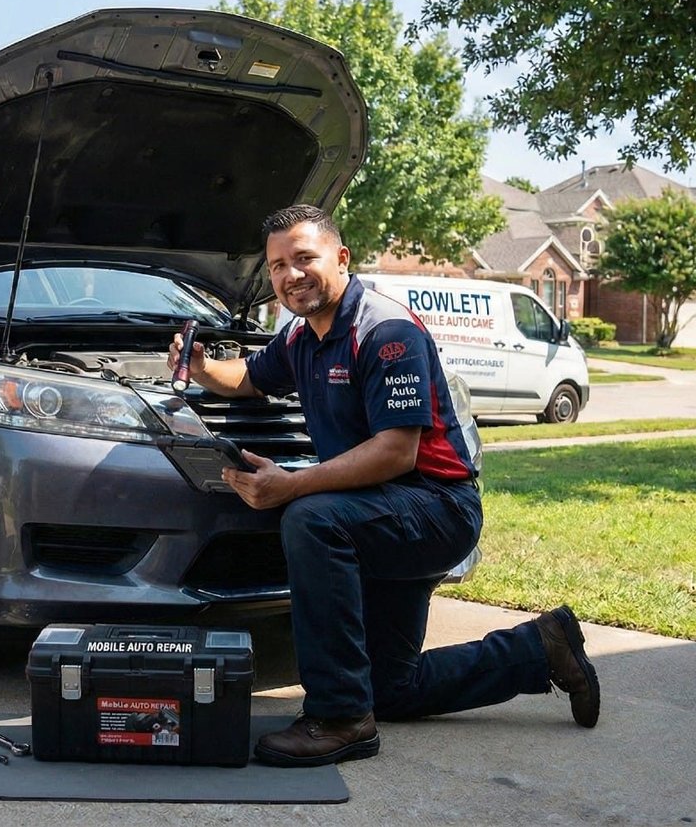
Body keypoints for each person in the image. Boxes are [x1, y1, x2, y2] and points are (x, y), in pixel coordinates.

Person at [168, 204, 601, 767]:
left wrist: (292, 486)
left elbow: (398, 450)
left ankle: (339, 718)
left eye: (304, 258)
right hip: (378, 511)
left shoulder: (385, 331)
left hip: (436, 508)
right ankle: (542, 647)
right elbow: (250, 376)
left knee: (311, 520)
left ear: (341, 258)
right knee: (392, 689)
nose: (291, 275)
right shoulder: (303, 337)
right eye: (277, 266)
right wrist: (203, 367)